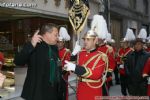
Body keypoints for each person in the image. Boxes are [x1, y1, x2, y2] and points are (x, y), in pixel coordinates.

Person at [14, 23, 64, 100]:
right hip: (37, 93)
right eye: (55, 35)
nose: (57, 38)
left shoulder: (54, 48)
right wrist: (31, 44)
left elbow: (57, 64)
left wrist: (64, 68)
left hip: (53, 92)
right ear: (47, 34)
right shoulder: (34, 46)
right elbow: (18, 61)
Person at [64, 30, 108, 100]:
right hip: (80, 89)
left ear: (95, 41)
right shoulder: (81, 53)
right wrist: (73, 54)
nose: (85, 42)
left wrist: (75, 68)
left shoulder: (101, 56)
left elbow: (96, 74)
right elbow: (72, 68)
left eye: (88, 39)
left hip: (92, 91)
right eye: (84, 39)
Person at [124, 28, 150, 96]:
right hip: (132, 82)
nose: (137, 45)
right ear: (134, 45)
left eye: (139, 44)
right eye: (136, 44)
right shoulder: (130, 55)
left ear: (142, 45)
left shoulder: (147, 55)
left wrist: (146, 78)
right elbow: (126, 66)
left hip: (143, 83)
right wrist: (128, 75)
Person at [57, 27, 71, 100]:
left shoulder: (67, 51)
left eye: (61, 42)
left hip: (63, 74)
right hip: (56, 73)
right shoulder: (55, 51)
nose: (59, 44)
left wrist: (63, 71)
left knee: (64, 89)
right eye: (58, 42)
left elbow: (67, 63)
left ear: (63, 43)